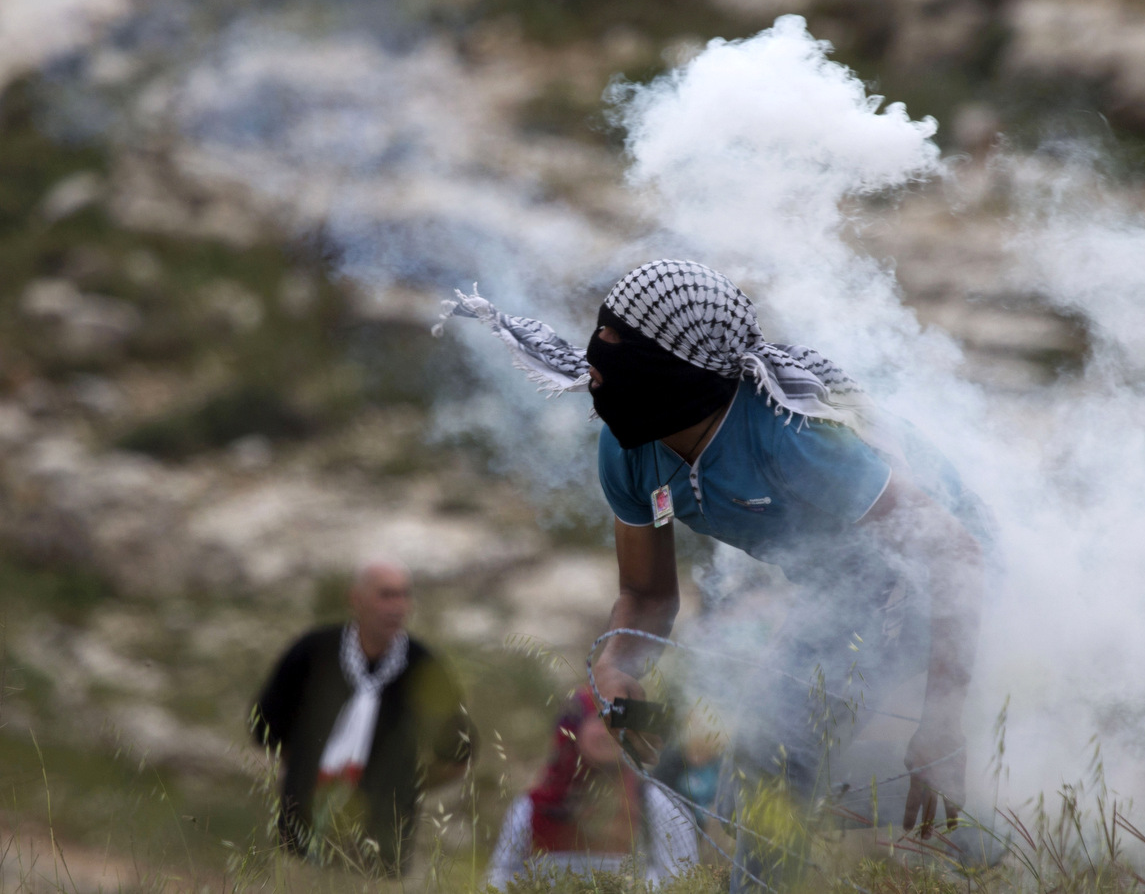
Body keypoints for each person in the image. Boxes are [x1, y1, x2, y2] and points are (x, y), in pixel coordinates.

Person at [440, 259, 990, 890]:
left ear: (679, 373)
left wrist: (943, 722)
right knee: (748, 784)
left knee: (772, 760)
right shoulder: (628, 443)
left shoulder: (796, 437)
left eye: (622, 345)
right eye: (601, 334)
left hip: (942, 573)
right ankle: (985, 825)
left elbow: (954, 555)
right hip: (851, 593)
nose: (595, 359)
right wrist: (620, 665)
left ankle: (971, 804)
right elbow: (645, 595)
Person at [250, 559, 477, 875]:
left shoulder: (423, 666)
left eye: (403, 595)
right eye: (386, 595)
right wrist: (307, 768)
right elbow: (265, 724)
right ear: (355, 599)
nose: (397, 606)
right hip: (304, 824)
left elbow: (459, 753)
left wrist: (401, 787)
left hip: (382, 842)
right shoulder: (314, 653)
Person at [486, 689, 700, 889]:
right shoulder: (534, 805)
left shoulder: (650, 801)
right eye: (599, 720)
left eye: (617, 723)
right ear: (573, 728)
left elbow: (682, 879)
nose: (608, 732)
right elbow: (499, 878)